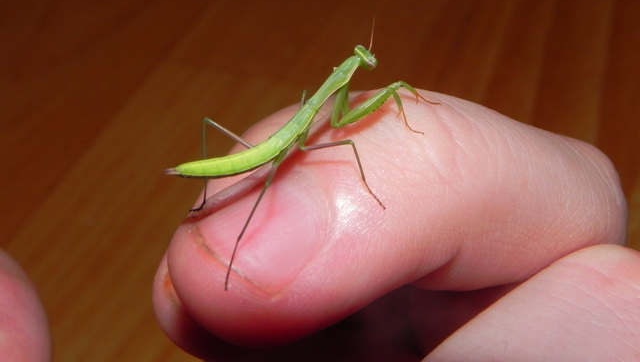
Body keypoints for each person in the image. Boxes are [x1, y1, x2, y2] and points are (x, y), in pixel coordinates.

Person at [3, 93, 638, 360]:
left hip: (276, 160)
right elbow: (334, 135)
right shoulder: (329, 103)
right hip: (256, 157)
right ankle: (224, 227)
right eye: (361, 57)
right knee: (330, 154)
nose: (367, 61)